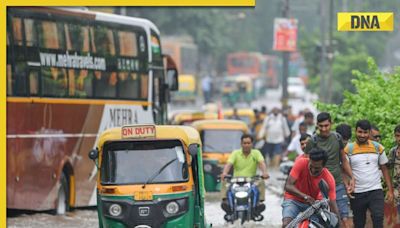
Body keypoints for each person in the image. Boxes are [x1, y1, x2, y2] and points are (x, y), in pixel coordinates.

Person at [305, 112, 355, 228]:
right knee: (322, 219)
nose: (324, 129)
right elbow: (306, 164)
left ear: (331, 124)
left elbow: (344, 160)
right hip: (318, 187)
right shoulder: (313, 141)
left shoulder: (337, 138)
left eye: (326, 125)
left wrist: (352, 177)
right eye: (321, 126)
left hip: (337, 184)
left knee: (344, 216)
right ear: (317, 125)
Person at [345, 119, 394, 228]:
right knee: (359, 223)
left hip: (375, 190)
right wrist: (347, 185)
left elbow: (384, 169)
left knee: (378, 218)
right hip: (357, 193)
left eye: (365, 132)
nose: (362, 135)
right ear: (355, 131)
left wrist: (390, 191)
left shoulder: (378, 148)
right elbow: (344, 170)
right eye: (360, 132)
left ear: (369, 133)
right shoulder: (348, 149)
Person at [281, 148, 340, 227]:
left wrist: (338, 223)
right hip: (293, 200)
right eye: (311, 166)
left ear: (324, 166)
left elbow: (333, 203)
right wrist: (305, 196)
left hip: (313, 205)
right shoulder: (301, 162)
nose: (313, 170)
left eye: (317, 168)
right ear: (309, 160)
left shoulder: (329, 178)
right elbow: (288, 186)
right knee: (287, 224)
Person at [220, 134, 269, 216]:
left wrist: (264, 172)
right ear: (241, 144)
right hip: (236, 180)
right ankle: (226, 202)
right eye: (244, 143)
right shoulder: (235, 153)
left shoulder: (256, 153)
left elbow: (261, 163)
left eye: (248, 143)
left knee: (261, 181)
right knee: (225, 181)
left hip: (251, 180)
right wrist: (224, 173)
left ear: (252, 144)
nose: (246, 145)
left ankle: (259, 202)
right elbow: (229, 164)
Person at [387, 124, 400, 221]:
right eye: (397, 136)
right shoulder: (393, 152)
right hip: (397, 192)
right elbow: (387, 170)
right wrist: (390, 189)